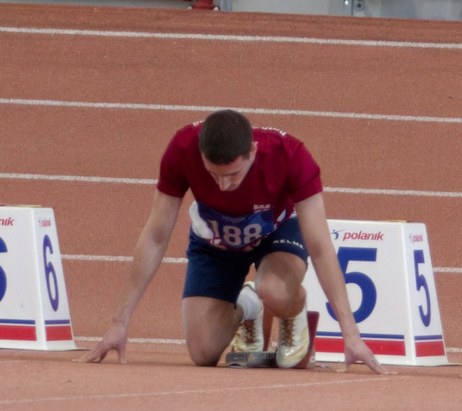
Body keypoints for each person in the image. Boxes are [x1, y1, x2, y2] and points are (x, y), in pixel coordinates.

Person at [85, 109, 383, 371]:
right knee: (202, 352)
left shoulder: (290, 155)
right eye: (213, 174)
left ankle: (292, 308)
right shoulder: (182, 148)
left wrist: (351, 335)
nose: (223, 185)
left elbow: (320, 247)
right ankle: (250, 305)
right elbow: (155, 236)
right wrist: (119, 322)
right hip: (215, 239)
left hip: (276, 233)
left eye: (233, 174)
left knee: (275, 291)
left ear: (252, 151)